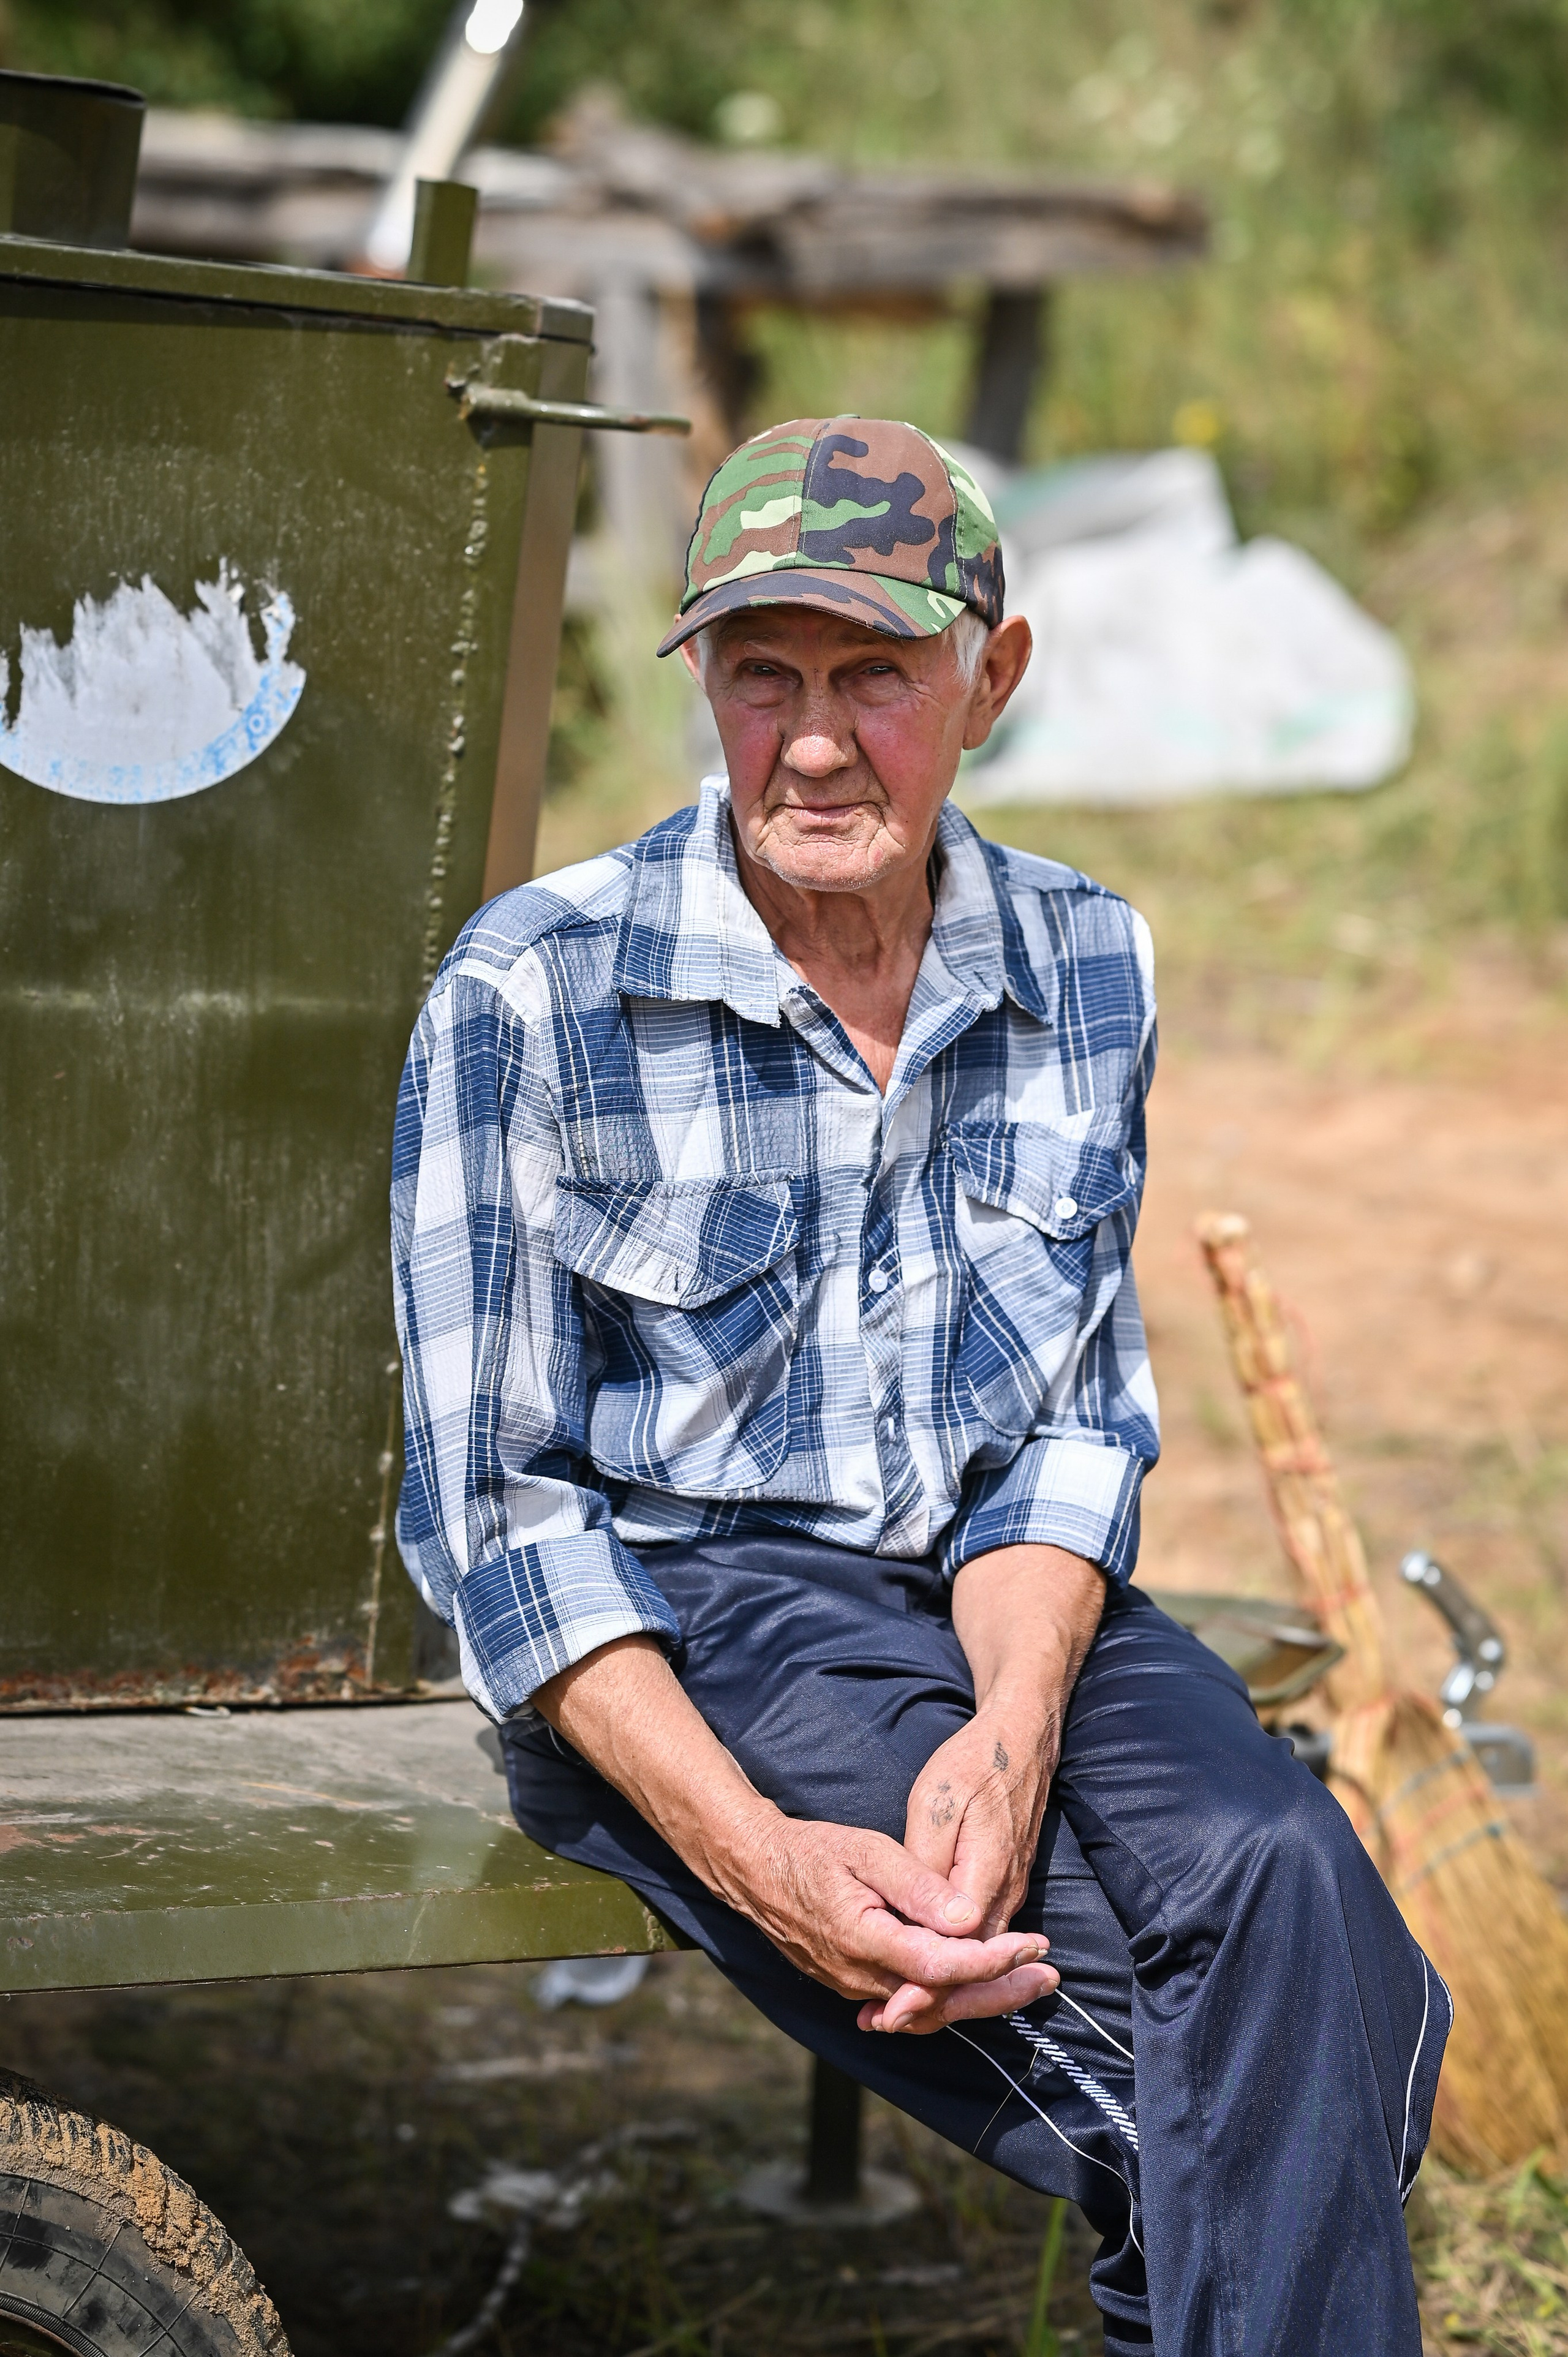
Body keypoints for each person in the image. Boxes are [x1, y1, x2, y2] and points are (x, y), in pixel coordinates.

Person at [393, 417, 1447, 2353]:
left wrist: (1018, 1721)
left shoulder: (1083, 958)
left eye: (873, 675)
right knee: (1190, 2100)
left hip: (995, 1593)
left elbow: (1067, 1429)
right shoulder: (532, 991)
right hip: (694, 1615)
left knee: (1304, 1895)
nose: (811, 744)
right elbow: (505, 1524)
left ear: (993, 679)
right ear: (705, 685)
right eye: (760, 676)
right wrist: (759, 1862)